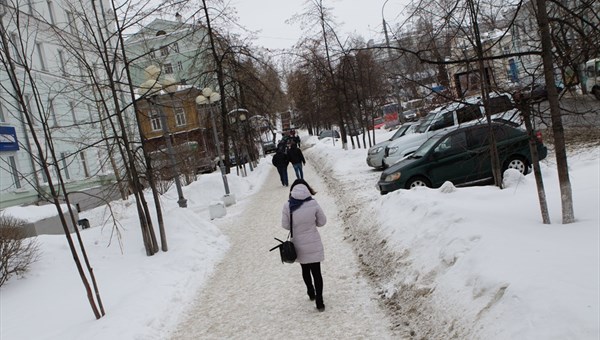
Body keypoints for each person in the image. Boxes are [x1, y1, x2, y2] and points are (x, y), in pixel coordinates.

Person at [281, 179, 327, 311]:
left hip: (299, 244)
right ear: (307, 188)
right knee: (317, 272)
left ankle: (310, 292)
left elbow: (284, 225)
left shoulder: (287, 206)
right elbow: (322, 222)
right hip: (313, 242)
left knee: (305, 269)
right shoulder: (313, 203)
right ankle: (320, 301)